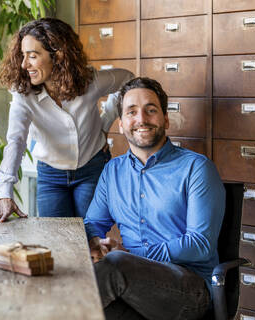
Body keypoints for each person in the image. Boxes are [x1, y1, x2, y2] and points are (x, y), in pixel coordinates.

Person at [84, 77, 225, 319]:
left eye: (151, 110)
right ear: (120, 124)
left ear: (165, 119)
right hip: (129, 287)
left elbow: (200, 244)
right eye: (131, 112)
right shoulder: (112, 171)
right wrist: (94, 242)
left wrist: (132, 255)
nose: (141, 119)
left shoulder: (196, 168)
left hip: (188, 290)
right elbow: (93, 224)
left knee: (116, 266)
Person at [0, 17, 134, 222]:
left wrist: (105, 121)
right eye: (22, 55)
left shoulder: (89, 82)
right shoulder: (23, 94)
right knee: (55, 238)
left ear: (58, 55)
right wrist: (4, 191)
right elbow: (16, 141)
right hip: (50, 174)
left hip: (91, 167)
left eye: (32, 56)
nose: (23, 64)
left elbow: (127, 79)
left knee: (90, 236)